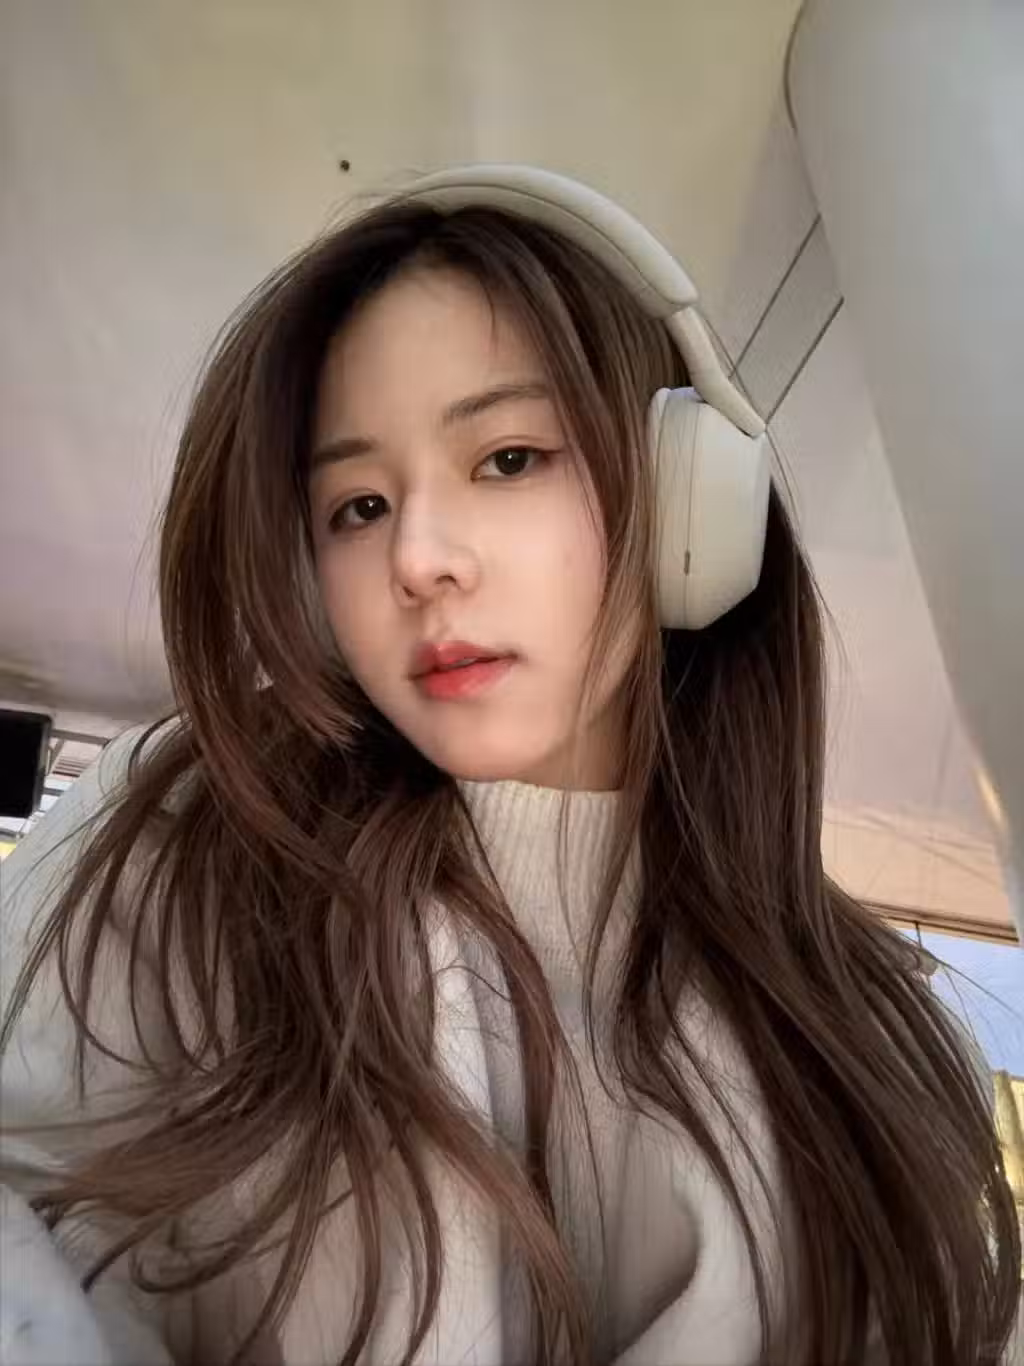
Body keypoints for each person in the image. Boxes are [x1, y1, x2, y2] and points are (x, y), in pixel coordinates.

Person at [0, 165, 1020, 1366]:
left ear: (690, 500)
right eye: (358, 507)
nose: (418, 557)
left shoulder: (884, 1046)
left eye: (508, 458)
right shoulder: (185, 834)